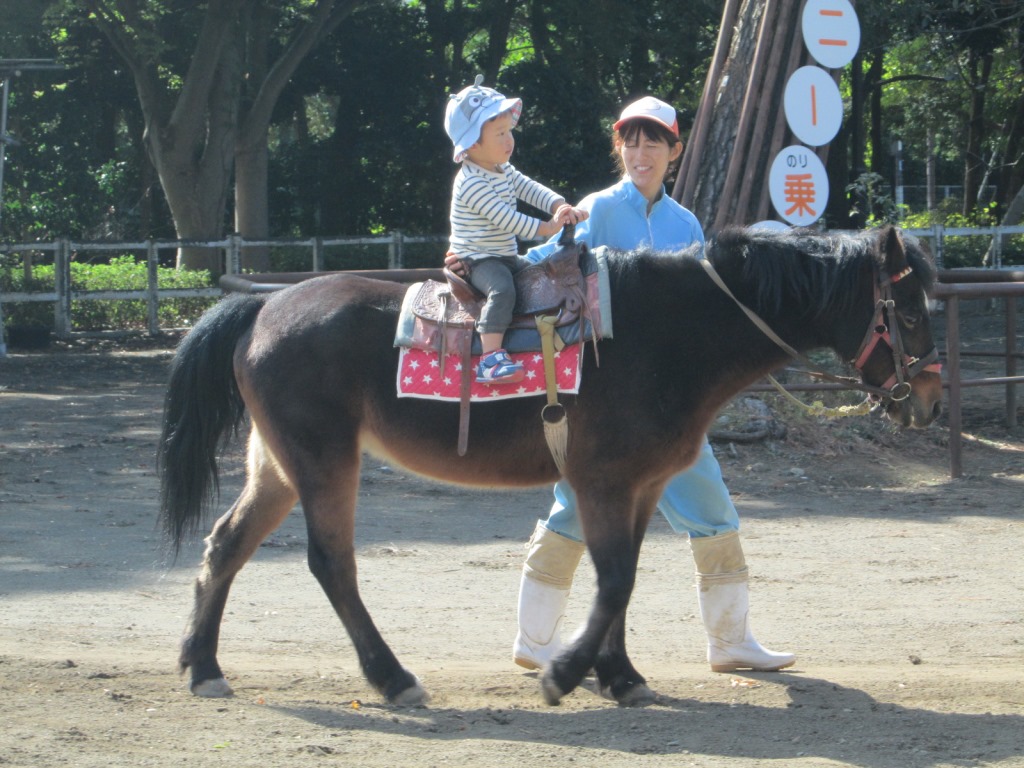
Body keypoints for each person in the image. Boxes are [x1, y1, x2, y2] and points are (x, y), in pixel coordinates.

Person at [507, 96, 796, 674]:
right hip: (603, 409)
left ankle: (730, 641)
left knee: (712, 506)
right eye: (631, 142)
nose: (641, 153)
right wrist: (486, 264)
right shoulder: (593, 210)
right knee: (572, 508)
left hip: (672, 408)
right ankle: (533, 642)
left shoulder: (684, 224)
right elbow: (538, 263)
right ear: (619, 149)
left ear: (674, 151)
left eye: (654, 142)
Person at [443, 75, 587, 384]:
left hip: (503, 254)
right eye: (499, 134)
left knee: (538, 275)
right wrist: (548, 228)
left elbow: (529, 189)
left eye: (509, 131)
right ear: (472, 143)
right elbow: (507, 219)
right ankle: (490, 357)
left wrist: (558, 205)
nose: (509, 141)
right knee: (503, 290)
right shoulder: (470, 182)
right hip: (478, 259)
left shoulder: (502, 169)